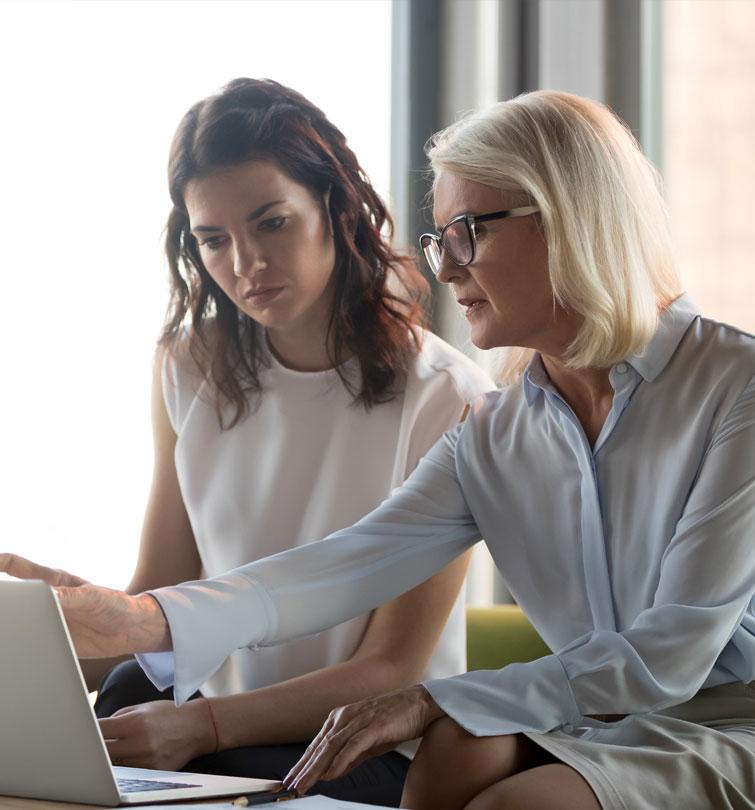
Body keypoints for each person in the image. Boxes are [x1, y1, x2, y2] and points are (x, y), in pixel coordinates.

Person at [5, 89, 755, 810]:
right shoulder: (496, 432)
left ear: (569, 218)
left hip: (725, 715)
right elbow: (340, 565)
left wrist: (426, 698)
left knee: (502, 784)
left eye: (470, 233)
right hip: (598, 719)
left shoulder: (734, 385)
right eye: (439, 240)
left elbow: (670, 654)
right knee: (458, 747)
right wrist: (138, 620)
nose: (447, 267)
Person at [0, 78, 495, 807]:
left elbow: (392, 668)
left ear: (335, 207)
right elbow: (162, 593)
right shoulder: (188, 365)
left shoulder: (449, 397)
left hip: (361, 745)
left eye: (271, 223)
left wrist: (198, 726)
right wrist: (58, 628)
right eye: (212, 240)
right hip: (209, 723)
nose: (244, 262)